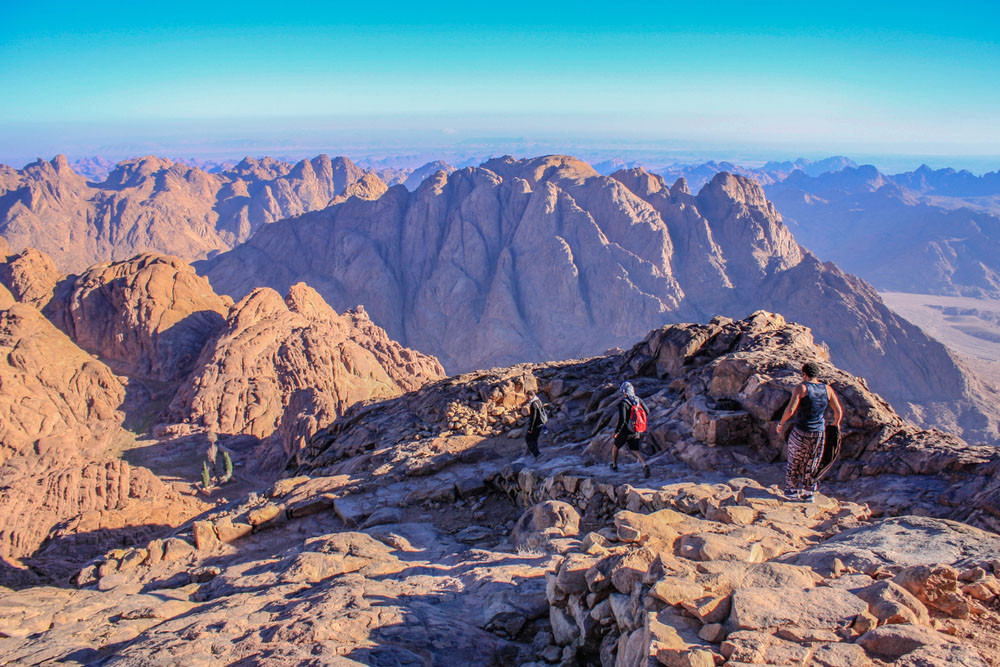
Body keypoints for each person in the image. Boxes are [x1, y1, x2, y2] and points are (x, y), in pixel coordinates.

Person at [777, 361, 843, 501]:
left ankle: (792, 490)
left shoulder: (802, 388)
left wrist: (781, 423)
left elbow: (791, 409)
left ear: (804, 374)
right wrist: (835, 425)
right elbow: (838, 411)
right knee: (812, 461)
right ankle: (809, 492)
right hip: (819, 432)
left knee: (795, 459)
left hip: (801, 430)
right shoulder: (827, 389)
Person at [611, 382, 651, 478]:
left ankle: (614, 465)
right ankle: (645, 465)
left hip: (625, 430)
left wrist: (617, 432)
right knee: (635, 449)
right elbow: (647, 411)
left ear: (625, 392)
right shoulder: (638, 400)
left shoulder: (623, 403)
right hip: (635, 429)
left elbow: (622, 420)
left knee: (615, 446)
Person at [524, 391, 547, 458]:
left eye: (528, 396)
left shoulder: (533, 404)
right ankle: (537, 453)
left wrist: (530, 428)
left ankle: (536, 454)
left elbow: (533, 418)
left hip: (536, 424)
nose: (527, 398)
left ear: (531, 396)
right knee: (534, 439)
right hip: (541, 423)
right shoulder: (538, 401)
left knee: (528, 438)